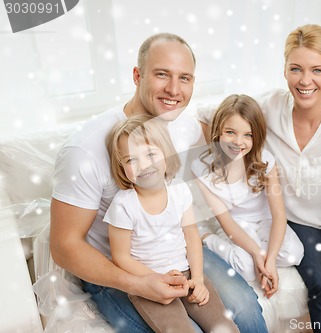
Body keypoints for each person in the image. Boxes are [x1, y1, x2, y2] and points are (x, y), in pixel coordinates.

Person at [50, 32, 268, 333]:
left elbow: (226, 142)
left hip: (178, 251)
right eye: (162, 74)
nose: (174, 89)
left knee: (243, 311)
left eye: (185, 78)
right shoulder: (84, 150)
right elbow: (64, 246)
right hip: (118, 265)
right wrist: (138, 283)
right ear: (137, 75)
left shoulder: (184, 125)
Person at [198, 24, 321, 333]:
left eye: (317, 70)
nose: (305, 81)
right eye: (296, 69)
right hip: (301, 223)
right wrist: (218, 162)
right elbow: (209, 113)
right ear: (284, 70)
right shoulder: (270, 107)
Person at [104, 114, 239, 333]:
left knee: (225, 328)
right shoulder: (123, 205)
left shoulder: (179, 190)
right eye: (131, 160)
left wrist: (197, 278)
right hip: (147, 282)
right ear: (121, 167)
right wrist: (156, 279)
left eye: (150, 154)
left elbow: (192, 237)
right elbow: (121, 257)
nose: (143, 165)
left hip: (185, 273)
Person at [191, 94, 304, 298]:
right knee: (247, 268)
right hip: (235, 224)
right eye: (230, 132)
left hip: (265, 220)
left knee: (294, 254)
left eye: (247, 135)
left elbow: (279, 216)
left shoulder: (266, 161)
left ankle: (260, 252)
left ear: (257, 136)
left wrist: (269, 260)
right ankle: (206, 237)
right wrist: (257, 253)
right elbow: (227, 222)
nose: (238, 142)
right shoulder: (201, 168)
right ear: (218, 132)